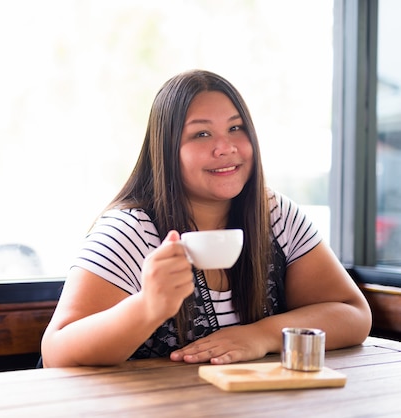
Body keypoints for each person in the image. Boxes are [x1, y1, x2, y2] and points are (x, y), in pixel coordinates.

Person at [40, 69, 372, 367]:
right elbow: (57, 352)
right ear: (167, 150)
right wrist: (148, 307)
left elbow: (353, 313)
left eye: (236, 128)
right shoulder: (131, 230)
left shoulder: (274, 213)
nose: (225, 147)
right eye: (201, 134)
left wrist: (262, 336)